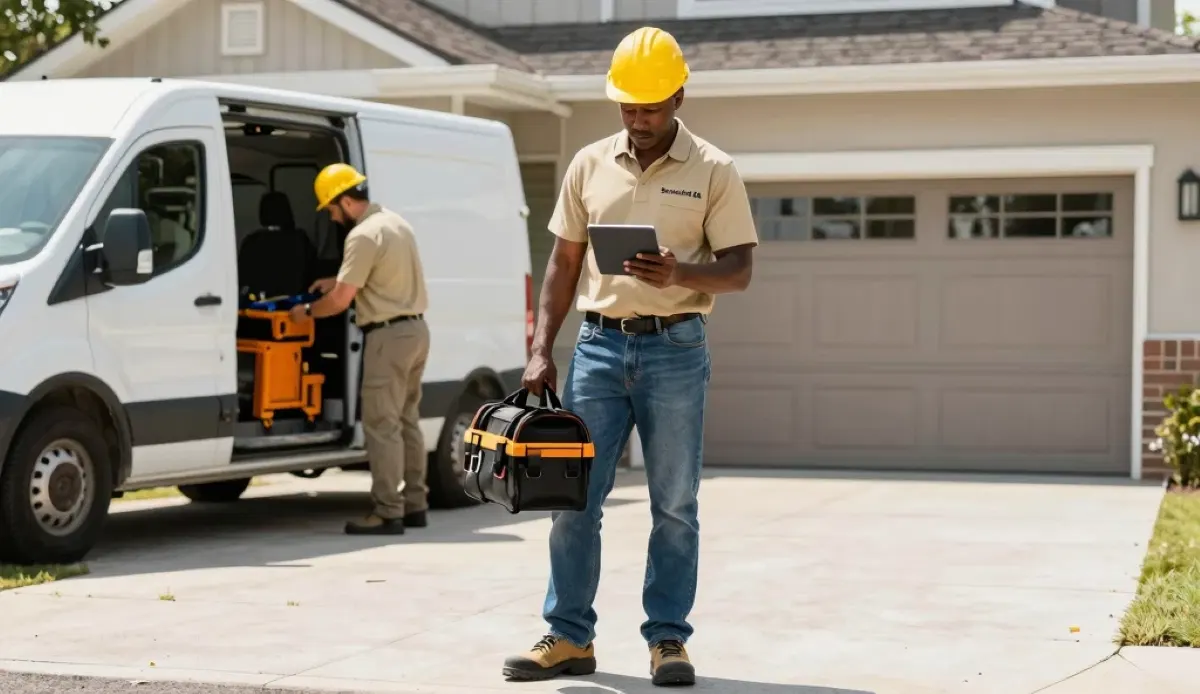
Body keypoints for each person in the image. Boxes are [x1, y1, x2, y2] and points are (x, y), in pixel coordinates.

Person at [502, 26, 758, 688]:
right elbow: (562, 261)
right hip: (596, 348)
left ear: (678, 95)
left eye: (649, 106)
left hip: (676, 349)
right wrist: (539, 348)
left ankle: (668, 640)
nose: (637, 119)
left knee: (674, 503)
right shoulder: (588, 163)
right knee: (573, 499)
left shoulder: (715, 170)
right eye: (627, 106)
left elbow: (738, 271)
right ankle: (567, 636)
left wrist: (681, 273)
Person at [289, 163, 431, 536]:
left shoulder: (362, 235)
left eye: (332, 209)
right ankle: (415, 504)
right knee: (406, 421)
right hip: (415, 331)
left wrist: (305, 313)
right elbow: (378, 274)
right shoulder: (395, 223)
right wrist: (335, 279)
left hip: (386, 338)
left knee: (381, 426)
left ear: (345, 201)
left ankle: (387, 512)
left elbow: (339, 302)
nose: (333, 217)